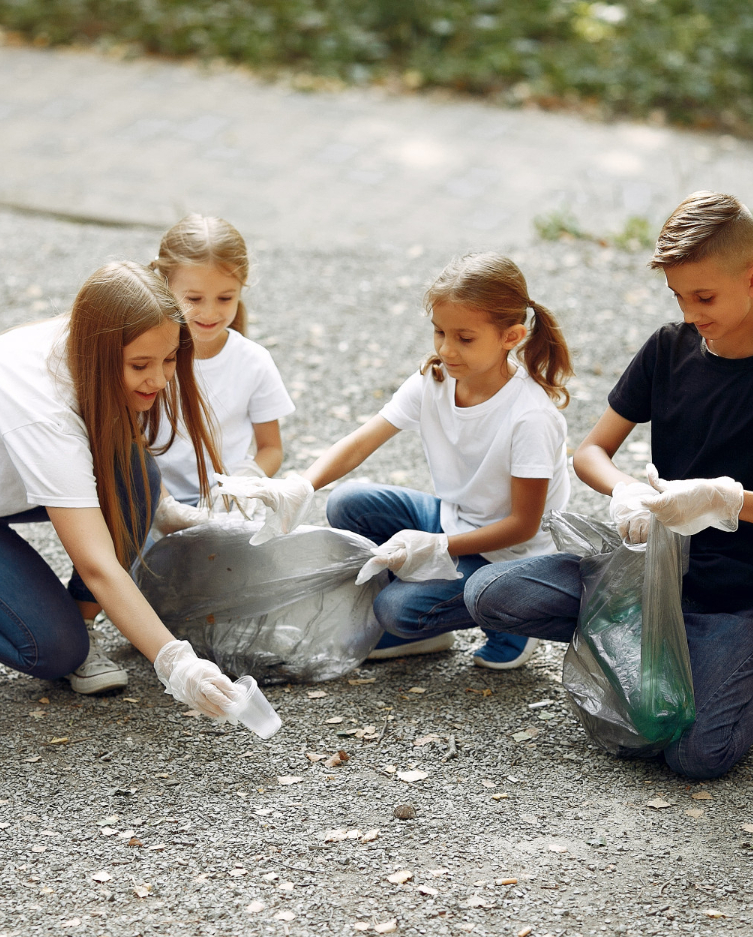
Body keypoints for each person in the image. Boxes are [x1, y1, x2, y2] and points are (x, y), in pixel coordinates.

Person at [465, 191, 753, 780]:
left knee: (696, 755)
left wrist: (728, 498)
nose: (691, 311)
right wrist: (624, 490)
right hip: (650, 572)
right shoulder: (668, 349)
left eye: (705, 296)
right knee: (490, 593)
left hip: (739, 599)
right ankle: (645, 648)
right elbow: (591, 451)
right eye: (678, 295)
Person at [0, 261, 246, 717]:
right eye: (141, 365)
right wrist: (176, 662)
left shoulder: (94, 328)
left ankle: (82, 621)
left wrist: (161, 506)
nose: (158, 379)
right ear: (100, 351)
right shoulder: (41, 408)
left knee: (138, 475)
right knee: (54, 650)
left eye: (169, 359)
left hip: (3, 484)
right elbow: (96, 563)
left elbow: (120, 454)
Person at [218, 252, 573, 670]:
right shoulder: (436, 380)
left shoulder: (530, 416)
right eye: (439, 332)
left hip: (511, 555)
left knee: (395, 611)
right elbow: (361, 442)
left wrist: (437, 546)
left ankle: (507, 618)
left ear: (511, 337)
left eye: (465, 338)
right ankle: (433, 616)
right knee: (348, 501)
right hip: (455, 517)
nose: (446, 348)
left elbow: (523, 526)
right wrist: (302, 485)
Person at [147, 215, 294, 506]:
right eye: (194, 299)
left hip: (226, 506)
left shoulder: (253, 361)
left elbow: (271, 448)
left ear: (242, 289)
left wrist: (238, 485)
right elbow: (126, 443)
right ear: (164, 285)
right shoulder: (145, 356)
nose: (211, 312)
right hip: (151, 502)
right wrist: (164, 505)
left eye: (225, 298)